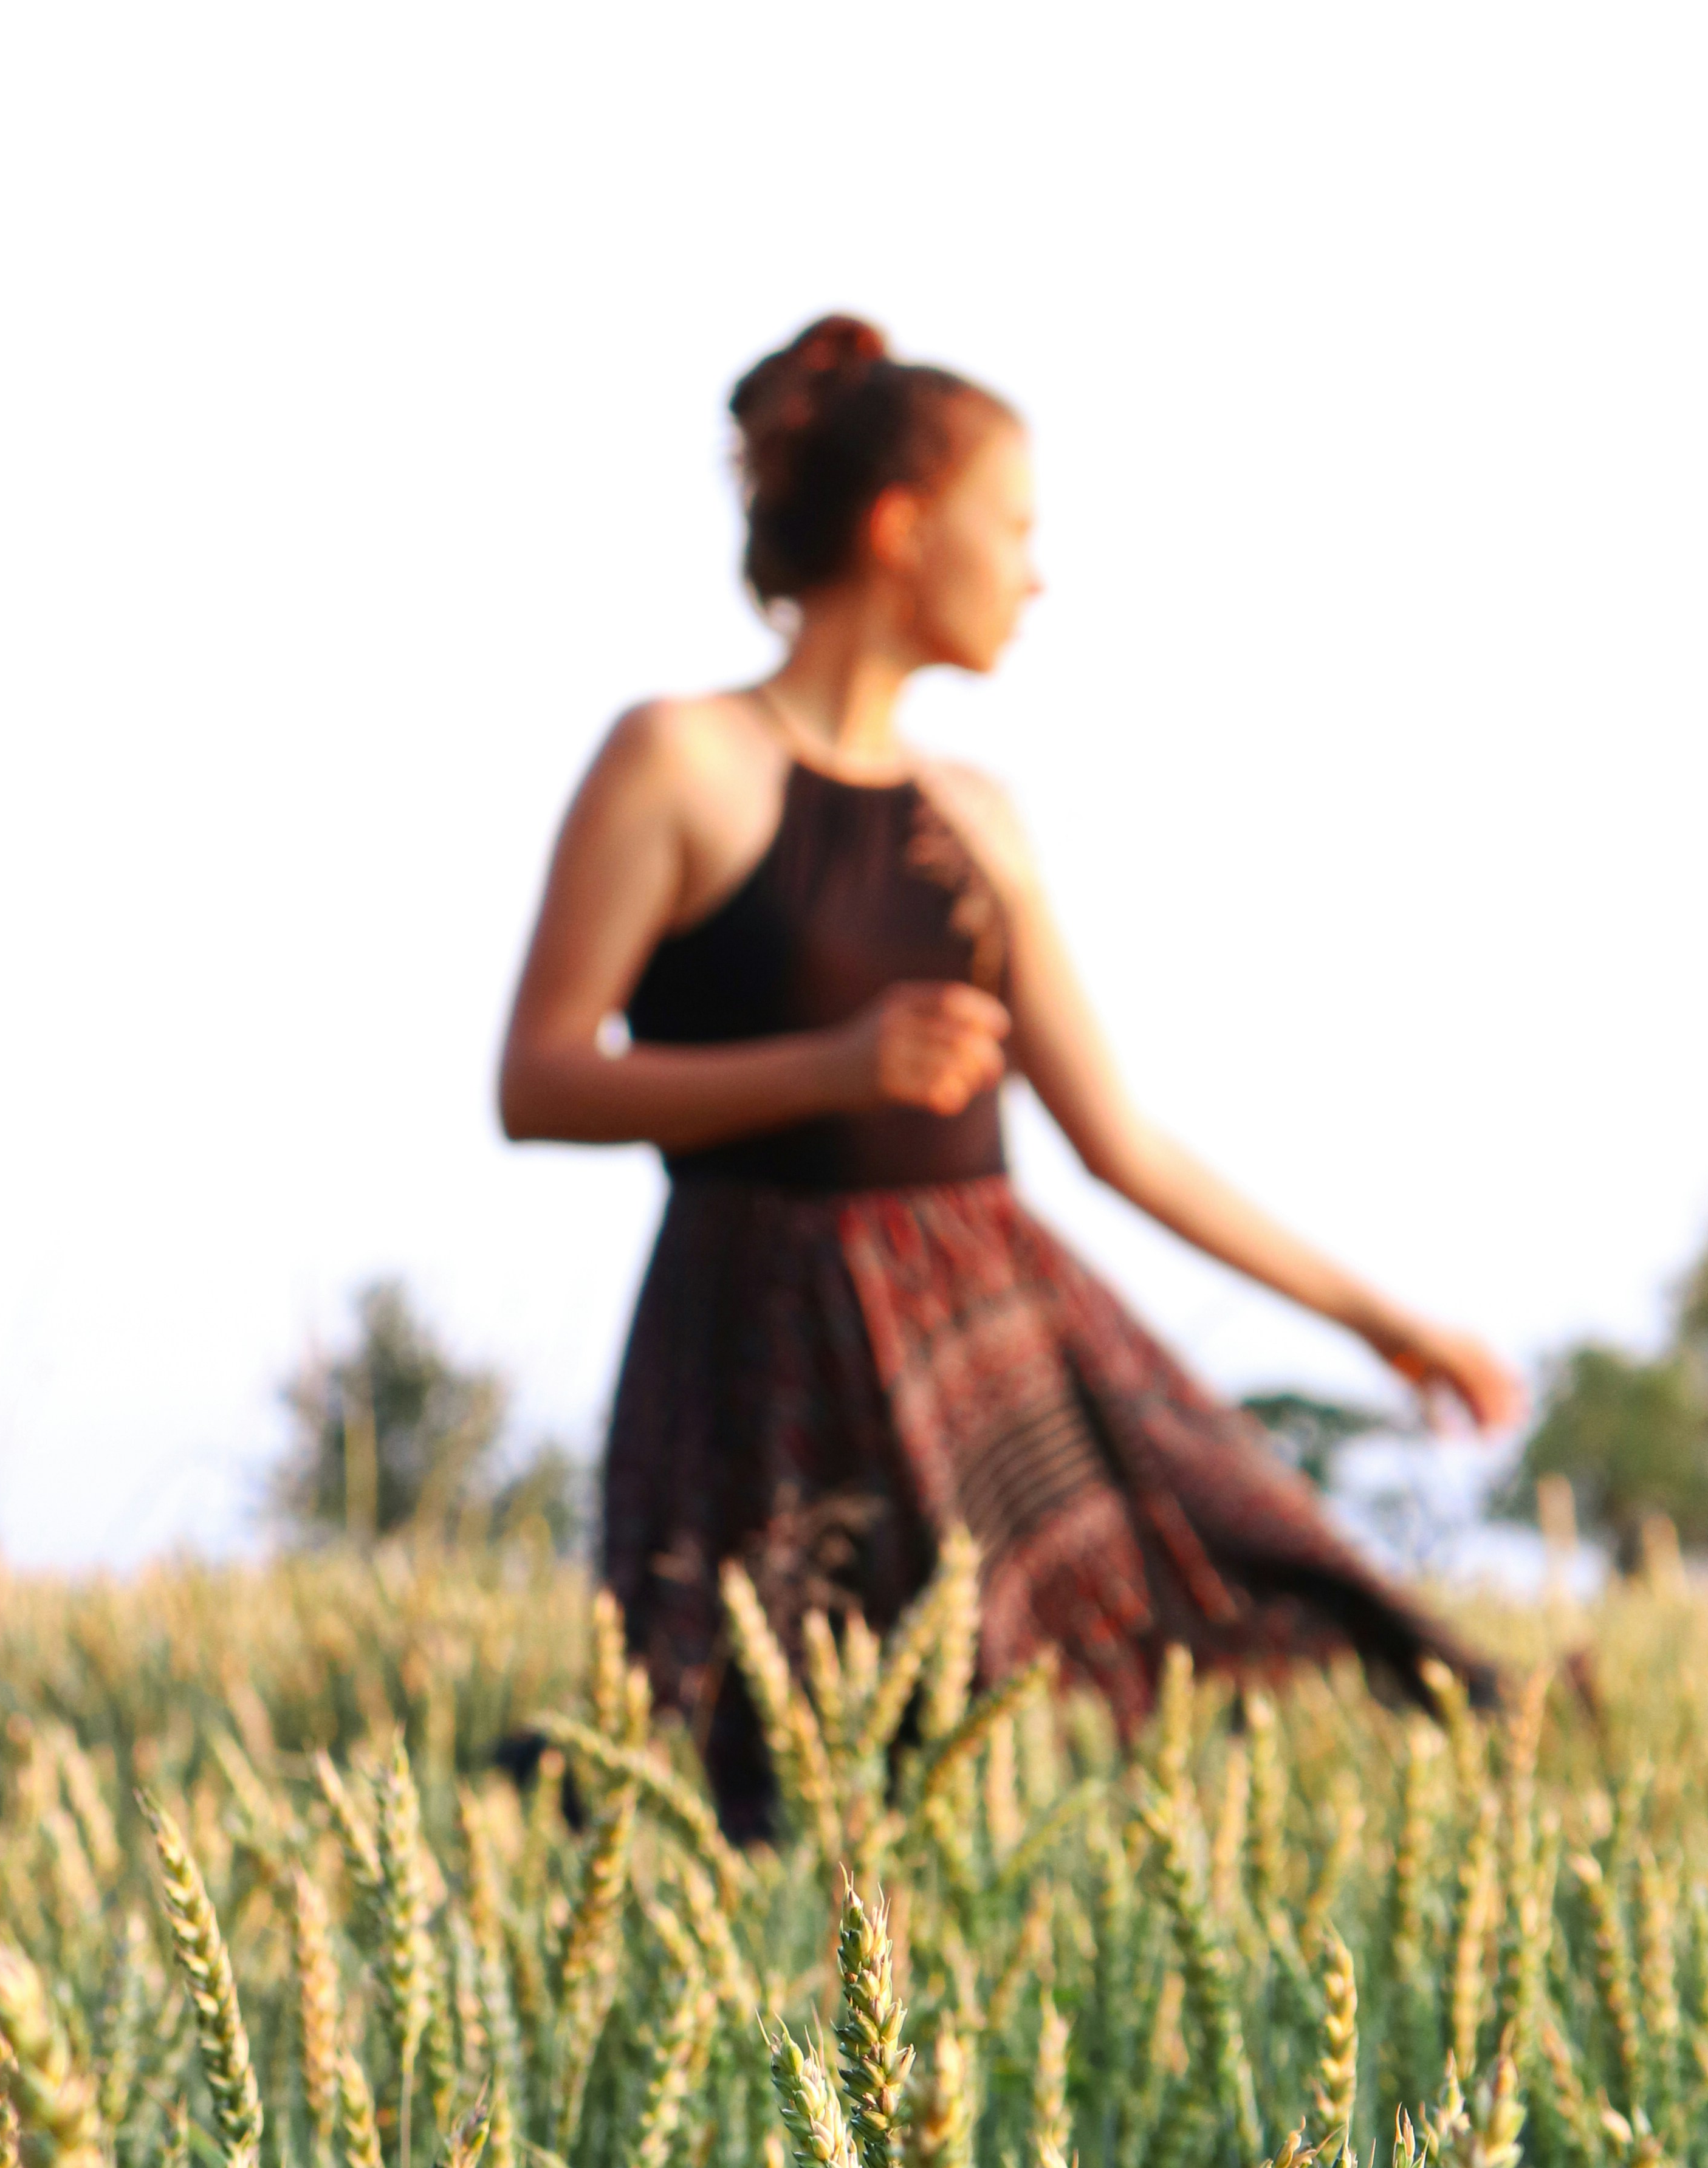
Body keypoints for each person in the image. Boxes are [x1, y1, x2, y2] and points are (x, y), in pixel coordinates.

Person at [498, 314, 1524, 1837]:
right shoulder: (677, 760)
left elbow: (1117, 1140)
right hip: (757, 1349)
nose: (1037, 575)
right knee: (739, 1778)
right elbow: (538, 1081)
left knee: (1199, 1652)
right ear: (902, 531)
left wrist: (1388, 1325)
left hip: (986, 1332)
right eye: (1015, 528)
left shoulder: (979, 816)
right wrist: (830, 1066)